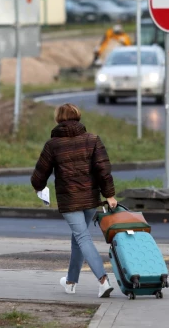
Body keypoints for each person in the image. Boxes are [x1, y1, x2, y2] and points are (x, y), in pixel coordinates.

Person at [31, 103, 117, 298]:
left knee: (82, 237)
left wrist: (39, 188)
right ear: (78, 116)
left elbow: (39, 175)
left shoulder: (52, 145)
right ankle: (70, 282)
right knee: (79, 237)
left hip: (70, 199)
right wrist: (109, 195)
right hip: (90, 198)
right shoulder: (93, 140)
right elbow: (103, 170)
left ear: (58, 119)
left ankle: (103, 281)